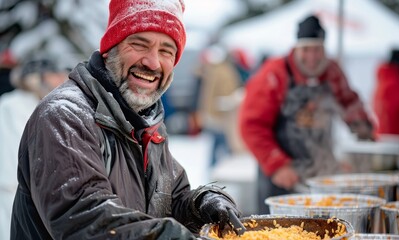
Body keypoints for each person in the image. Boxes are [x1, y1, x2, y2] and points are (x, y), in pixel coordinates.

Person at [10, 0, 240, 239]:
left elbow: (170, 202)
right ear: (110, 48)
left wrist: (203, 203)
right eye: (139, 45)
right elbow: (87, 220)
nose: (152, 62)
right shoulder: (65, 115)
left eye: (166, 51)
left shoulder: (147, 122)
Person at [238, 15, 374, 214]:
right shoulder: (275, 74)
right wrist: (277, 165)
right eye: (306, 49)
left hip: (321, 168)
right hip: (280, 172)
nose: (312, 57)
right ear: (296, 48)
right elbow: (251, 125)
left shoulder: (332, 71)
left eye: (317, 49)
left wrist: (362, 125)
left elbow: (349, 101)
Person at [0, 56, 67, 240]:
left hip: (39, 193)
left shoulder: (45, 104)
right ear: (38, 77)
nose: (62, 79)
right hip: (12, 191)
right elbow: (14, 154)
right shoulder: (13, 105)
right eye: (55, 74)